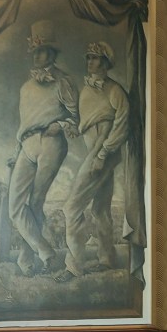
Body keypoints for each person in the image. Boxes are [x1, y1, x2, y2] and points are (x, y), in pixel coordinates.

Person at [7, 20, 78, 277]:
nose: (38, 56)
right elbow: (23, 125)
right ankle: (46, 252)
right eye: (35, 51)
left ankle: (27, 262)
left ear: (52, 53)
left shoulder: (63, 82)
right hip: (26, 145)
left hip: (51, 142)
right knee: (15, 207)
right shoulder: (25, 88)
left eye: (43, 51)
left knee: (35, 202)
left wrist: (61, 125)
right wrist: (16, 152)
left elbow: (76, 118)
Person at [60, 40, 130, 283]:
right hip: (94, 150)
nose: (90, 62)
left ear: (106, 63)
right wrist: (74, 129)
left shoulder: (115, 91)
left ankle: (74, 267)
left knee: (71, 207)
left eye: (96, 58)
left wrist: (102, 155)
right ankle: (107, 258)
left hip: (103, 153)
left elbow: (122, 126)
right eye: (88, 57)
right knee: (100, 209)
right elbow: (85, 122)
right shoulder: (86, 90)